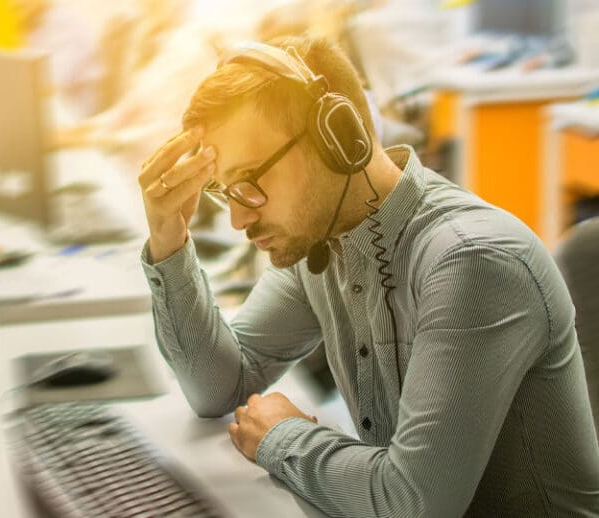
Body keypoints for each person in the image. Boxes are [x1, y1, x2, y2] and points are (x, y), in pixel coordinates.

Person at [137, 37, 599, 516]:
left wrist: (282, 437)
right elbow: (218, 389)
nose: (237, 219)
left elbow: (412, 504)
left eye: (250, 180)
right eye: (226, 190)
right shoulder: (321, 242)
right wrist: (168, 238)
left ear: (336, 137)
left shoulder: (473, 261)